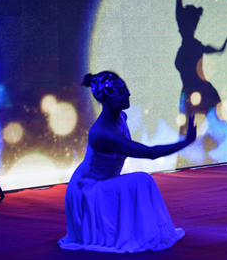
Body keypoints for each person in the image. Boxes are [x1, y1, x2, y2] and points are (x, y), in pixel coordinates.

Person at [58, 71, 197, 253]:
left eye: (126, 90)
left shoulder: (121, 117)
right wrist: (186, 142)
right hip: (87, 190)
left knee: (140, 181)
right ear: (107, 99)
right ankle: (142, 234)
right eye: (122, 92)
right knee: (142, 180)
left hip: (103, 182)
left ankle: (141, 232)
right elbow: (150, 153)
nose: (128, 94)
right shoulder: (102, 133)